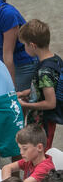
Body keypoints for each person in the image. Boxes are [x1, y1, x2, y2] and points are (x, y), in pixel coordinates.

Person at [16, 19, 62, 152]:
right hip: (45, 121)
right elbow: (42, 88)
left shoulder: (44, 71)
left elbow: (50, 103)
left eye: (24, 45)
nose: (24, 48)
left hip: (42, 124)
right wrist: (24, 93)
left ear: (32, 45)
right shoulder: (55, 59)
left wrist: (25, 105)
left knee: (37, 156)